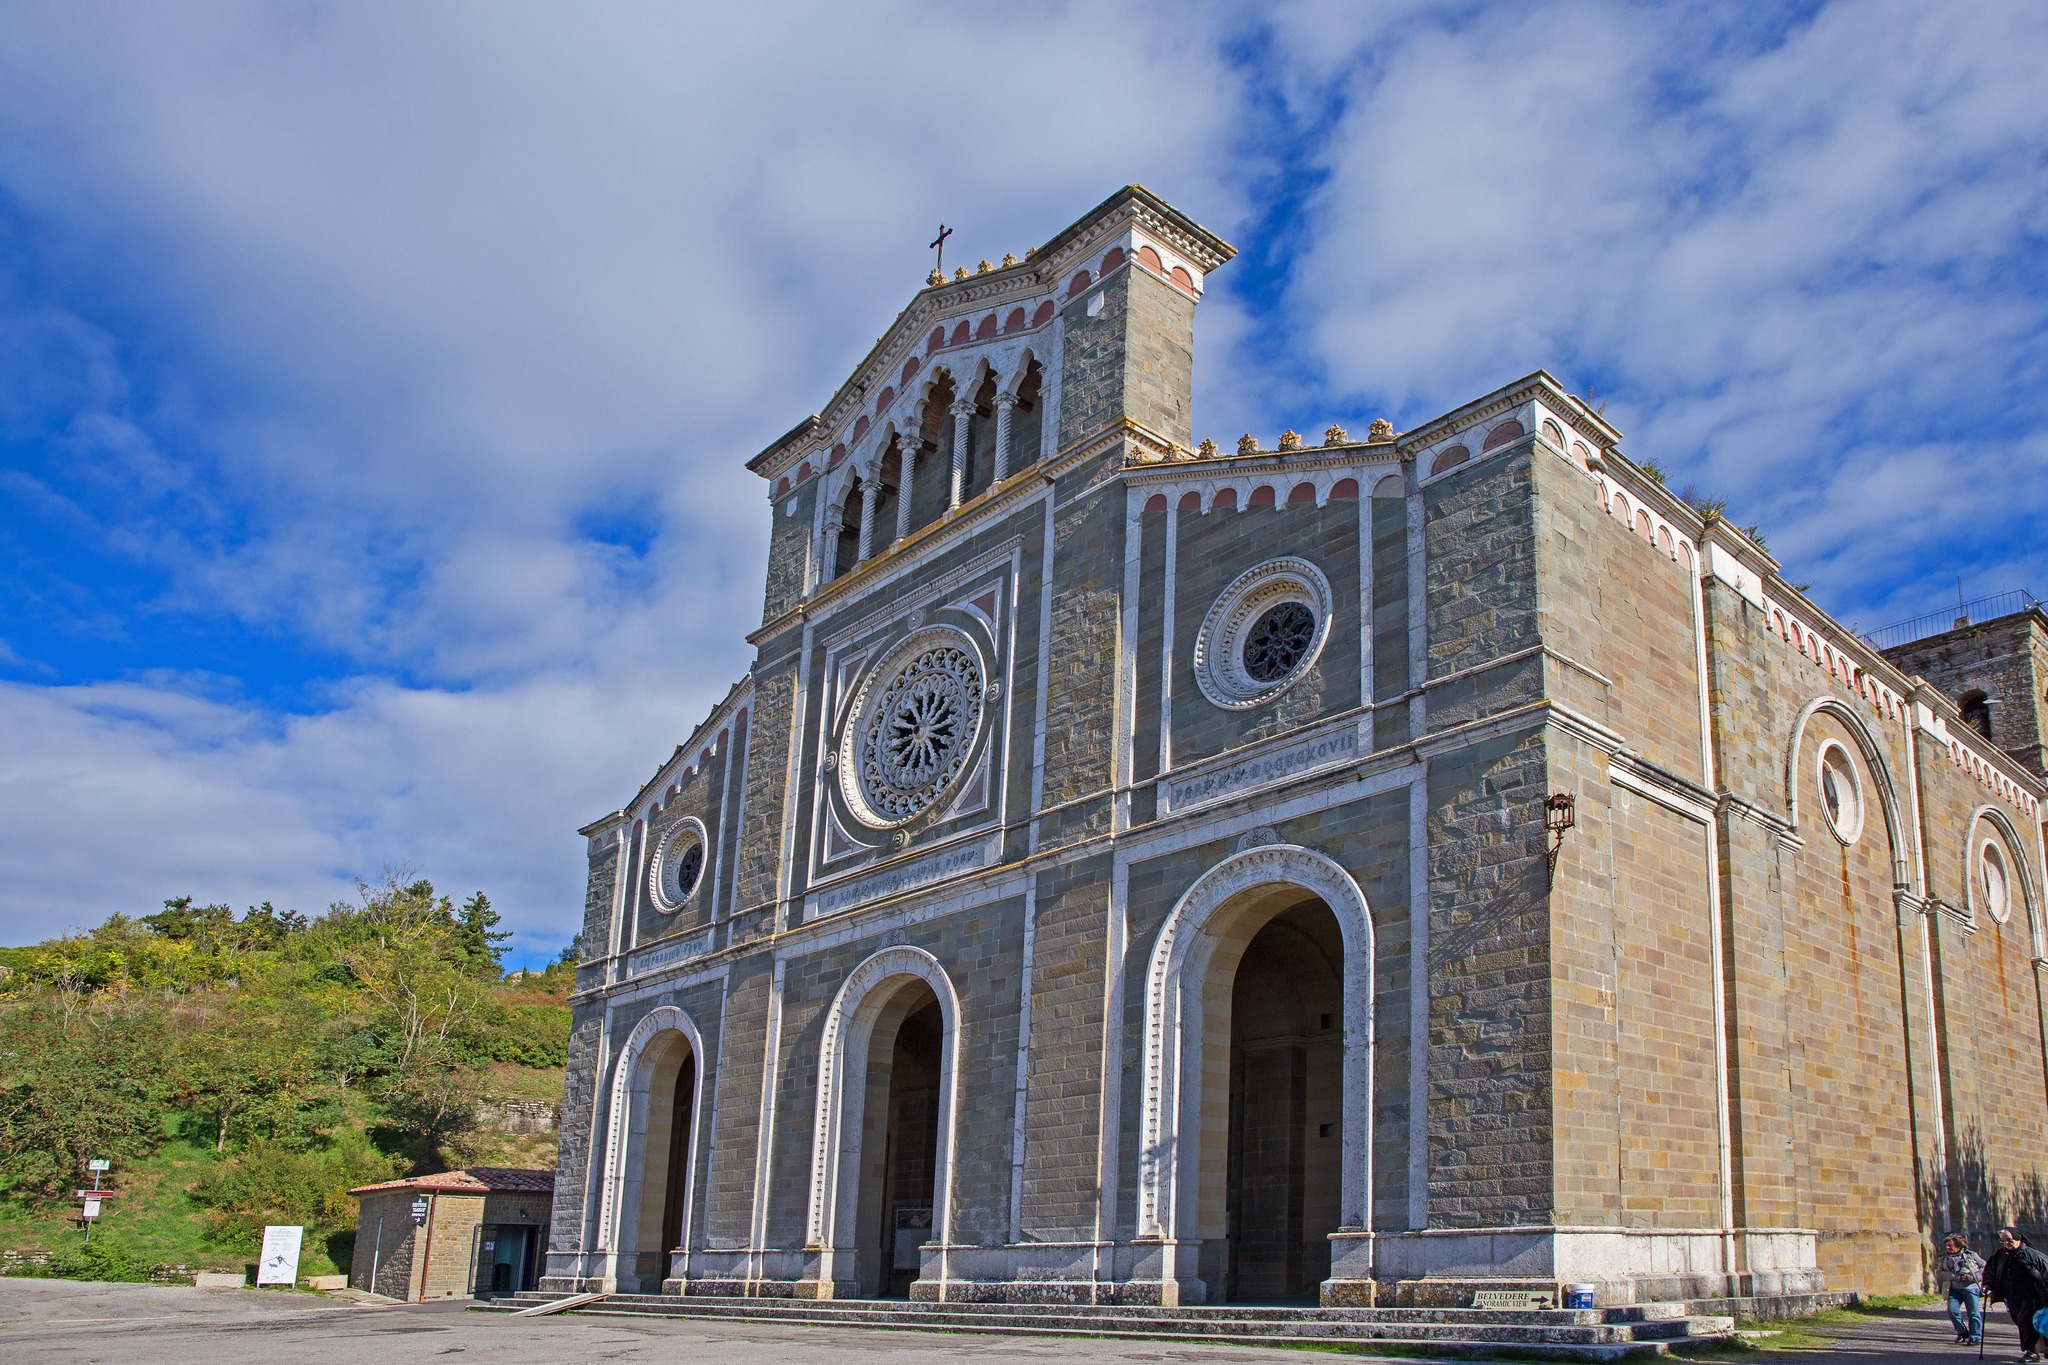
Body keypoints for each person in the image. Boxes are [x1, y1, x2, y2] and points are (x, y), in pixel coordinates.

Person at [1984, 1227, 2048, 1361]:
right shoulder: (2000, 1256)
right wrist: (1987, 1284)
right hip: (2012, 1296)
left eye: (2009, 1240)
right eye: (2003, 1240)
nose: (2006, 1243)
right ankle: (2034, 1349)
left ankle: (2031, 1351)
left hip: (2033, 1296)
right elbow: (1990, 1271)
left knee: (2031, 1322)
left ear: (2018, 1239)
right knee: (2021, 1322)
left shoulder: (2033, 1255)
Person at [1941, 1234, 1987, 1345]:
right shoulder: (1944, 1258)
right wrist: (1955, 1277)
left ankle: (1975, 1336)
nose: (1947, 1248)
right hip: (1953, 1289)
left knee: (1973, 1313)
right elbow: (1940, 1273)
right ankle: (1962, 1332)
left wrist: (1971, 1277)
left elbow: (1984, 1267)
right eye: (1946, 1246)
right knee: (1952, 1311)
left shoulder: (1971, 1255)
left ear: (1958, 1245)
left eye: (1950, 1245)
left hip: (1970, 1288)